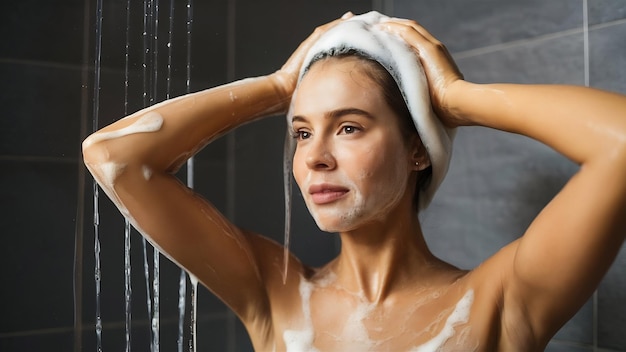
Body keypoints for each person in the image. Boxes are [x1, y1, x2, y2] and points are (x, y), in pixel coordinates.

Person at [82, 11, 626, 351]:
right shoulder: (275, 294)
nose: (315, 156)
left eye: (348, 127)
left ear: (416, 148)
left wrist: (457, 98)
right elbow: (114, 158)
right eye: (300, 132)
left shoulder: (498, 303)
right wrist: (277, 87)